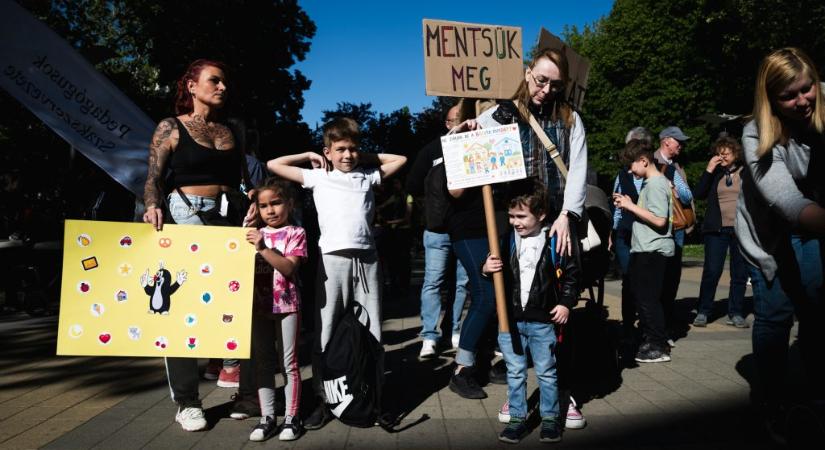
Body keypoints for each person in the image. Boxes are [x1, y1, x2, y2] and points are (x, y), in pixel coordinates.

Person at [267, 117, 407, 430]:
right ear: (327, 151)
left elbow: (401, 159)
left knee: (373, 330)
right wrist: (309, 155)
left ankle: (375, 397)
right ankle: (323, 397)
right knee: (326, 330)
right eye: (340, 149)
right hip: (331, 262)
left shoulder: (367, 175)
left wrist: (364, 156)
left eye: (353, 149)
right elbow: (273, 164)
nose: (347, 155)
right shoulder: (318, 177)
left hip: (366, 262)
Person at [142, 59, 253, 431]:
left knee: (233, 301)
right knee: (185, 305)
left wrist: (253, 199)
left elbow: (240, 178)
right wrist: (153, 205)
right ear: (191, 86)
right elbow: (153, 176)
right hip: (187, 213)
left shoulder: (233, 129)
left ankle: (240, 385)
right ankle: (188, 402)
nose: (222, 87)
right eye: (214, 81)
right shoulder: (170, 128)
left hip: (231, 216)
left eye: (225, 82)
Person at [734, 47, 825, 443]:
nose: (803, 100)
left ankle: (817, 394)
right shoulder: (755, 132)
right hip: (772, 233)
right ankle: (772, 402)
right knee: (776, 313)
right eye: (790, 96)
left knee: (818, 308)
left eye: (807, 89)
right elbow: (787, 200)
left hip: (815, 224)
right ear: (771, 99)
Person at [483, 181, 579, 444]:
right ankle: (517, 418)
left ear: (541, 214)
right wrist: (486, 268)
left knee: (547, 372)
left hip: (542, 321)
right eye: (512, 216)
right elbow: (494, 271)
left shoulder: (555, 240)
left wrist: (566, 303)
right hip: (510, 320)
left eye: (521, 216)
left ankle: (550, 419)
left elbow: (571, 274)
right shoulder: (504, 238)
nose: (515, 221)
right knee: (515, 372)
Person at [241, 178, 306, 442]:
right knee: (263, 362)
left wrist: (263, 247)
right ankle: (267, 416)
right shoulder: (252, 232)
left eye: (276, 203)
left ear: (289, 204)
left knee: (288, 363)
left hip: (287, 305)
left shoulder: (296, 233)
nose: (270, 210)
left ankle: (293, 417)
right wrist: (247, 224)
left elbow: (289, 268)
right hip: (256, 306)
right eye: (264, 205)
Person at [406, 103, 470, 358]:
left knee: (462, 283)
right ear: (447, 124)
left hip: (465, 228)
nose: (462, 124)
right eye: (457, 120)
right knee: (434, 281)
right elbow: (412, 183)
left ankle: (453, 329)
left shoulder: (473, 145)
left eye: (465, 120)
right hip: (438, 228)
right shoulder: (432, 150)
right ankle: (430, 336)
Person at [613, 139, 674, 363]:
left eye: (632, 165)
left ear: (644, 160)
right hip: (645, 248)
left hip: (652, 250)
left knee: (648, 299)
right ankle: (653, 340)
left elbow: (659, 220)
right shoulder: (653, 183)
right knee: (643, 297)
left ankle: (658, 344)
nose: (630, 171)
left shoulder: (657, 184)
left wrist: (630, 206)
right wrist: (632, 203)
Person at [693, 135, 748, 328]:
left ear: (736, 153)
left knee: (739, 273)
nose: (722, 157)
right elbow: (697, 194)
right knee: (712, 270)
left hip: (741, 230)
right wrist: (708, 170)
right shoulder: (715, 173)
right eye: (719, 153)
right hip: (716, 229)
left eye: (726, 153)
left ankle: (736, 312)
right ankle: (703, 310)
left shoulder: (746, 172)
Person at [653, 126, 694, 346]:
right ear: (666, 141)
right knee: (655, 279)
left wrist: (674, 189)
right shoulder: (648, 162)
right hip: (653, 229)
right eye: (678, 142)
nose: (681, 146)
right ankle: (654, 326)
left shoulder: (675, 167)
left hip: (675, 228)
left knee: (671, 278)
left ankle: (665, 325)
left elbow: (688, 196)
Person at [612, 127, 653, 338]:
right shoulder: (623, 175)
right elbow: (617, 206)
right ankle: (628, 323)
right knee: (629, 279)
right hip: (626, 234)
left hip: (648, 235)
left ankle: (648, 325)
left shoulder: (658, 176)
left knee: (645, 281)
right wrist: (614, 231)